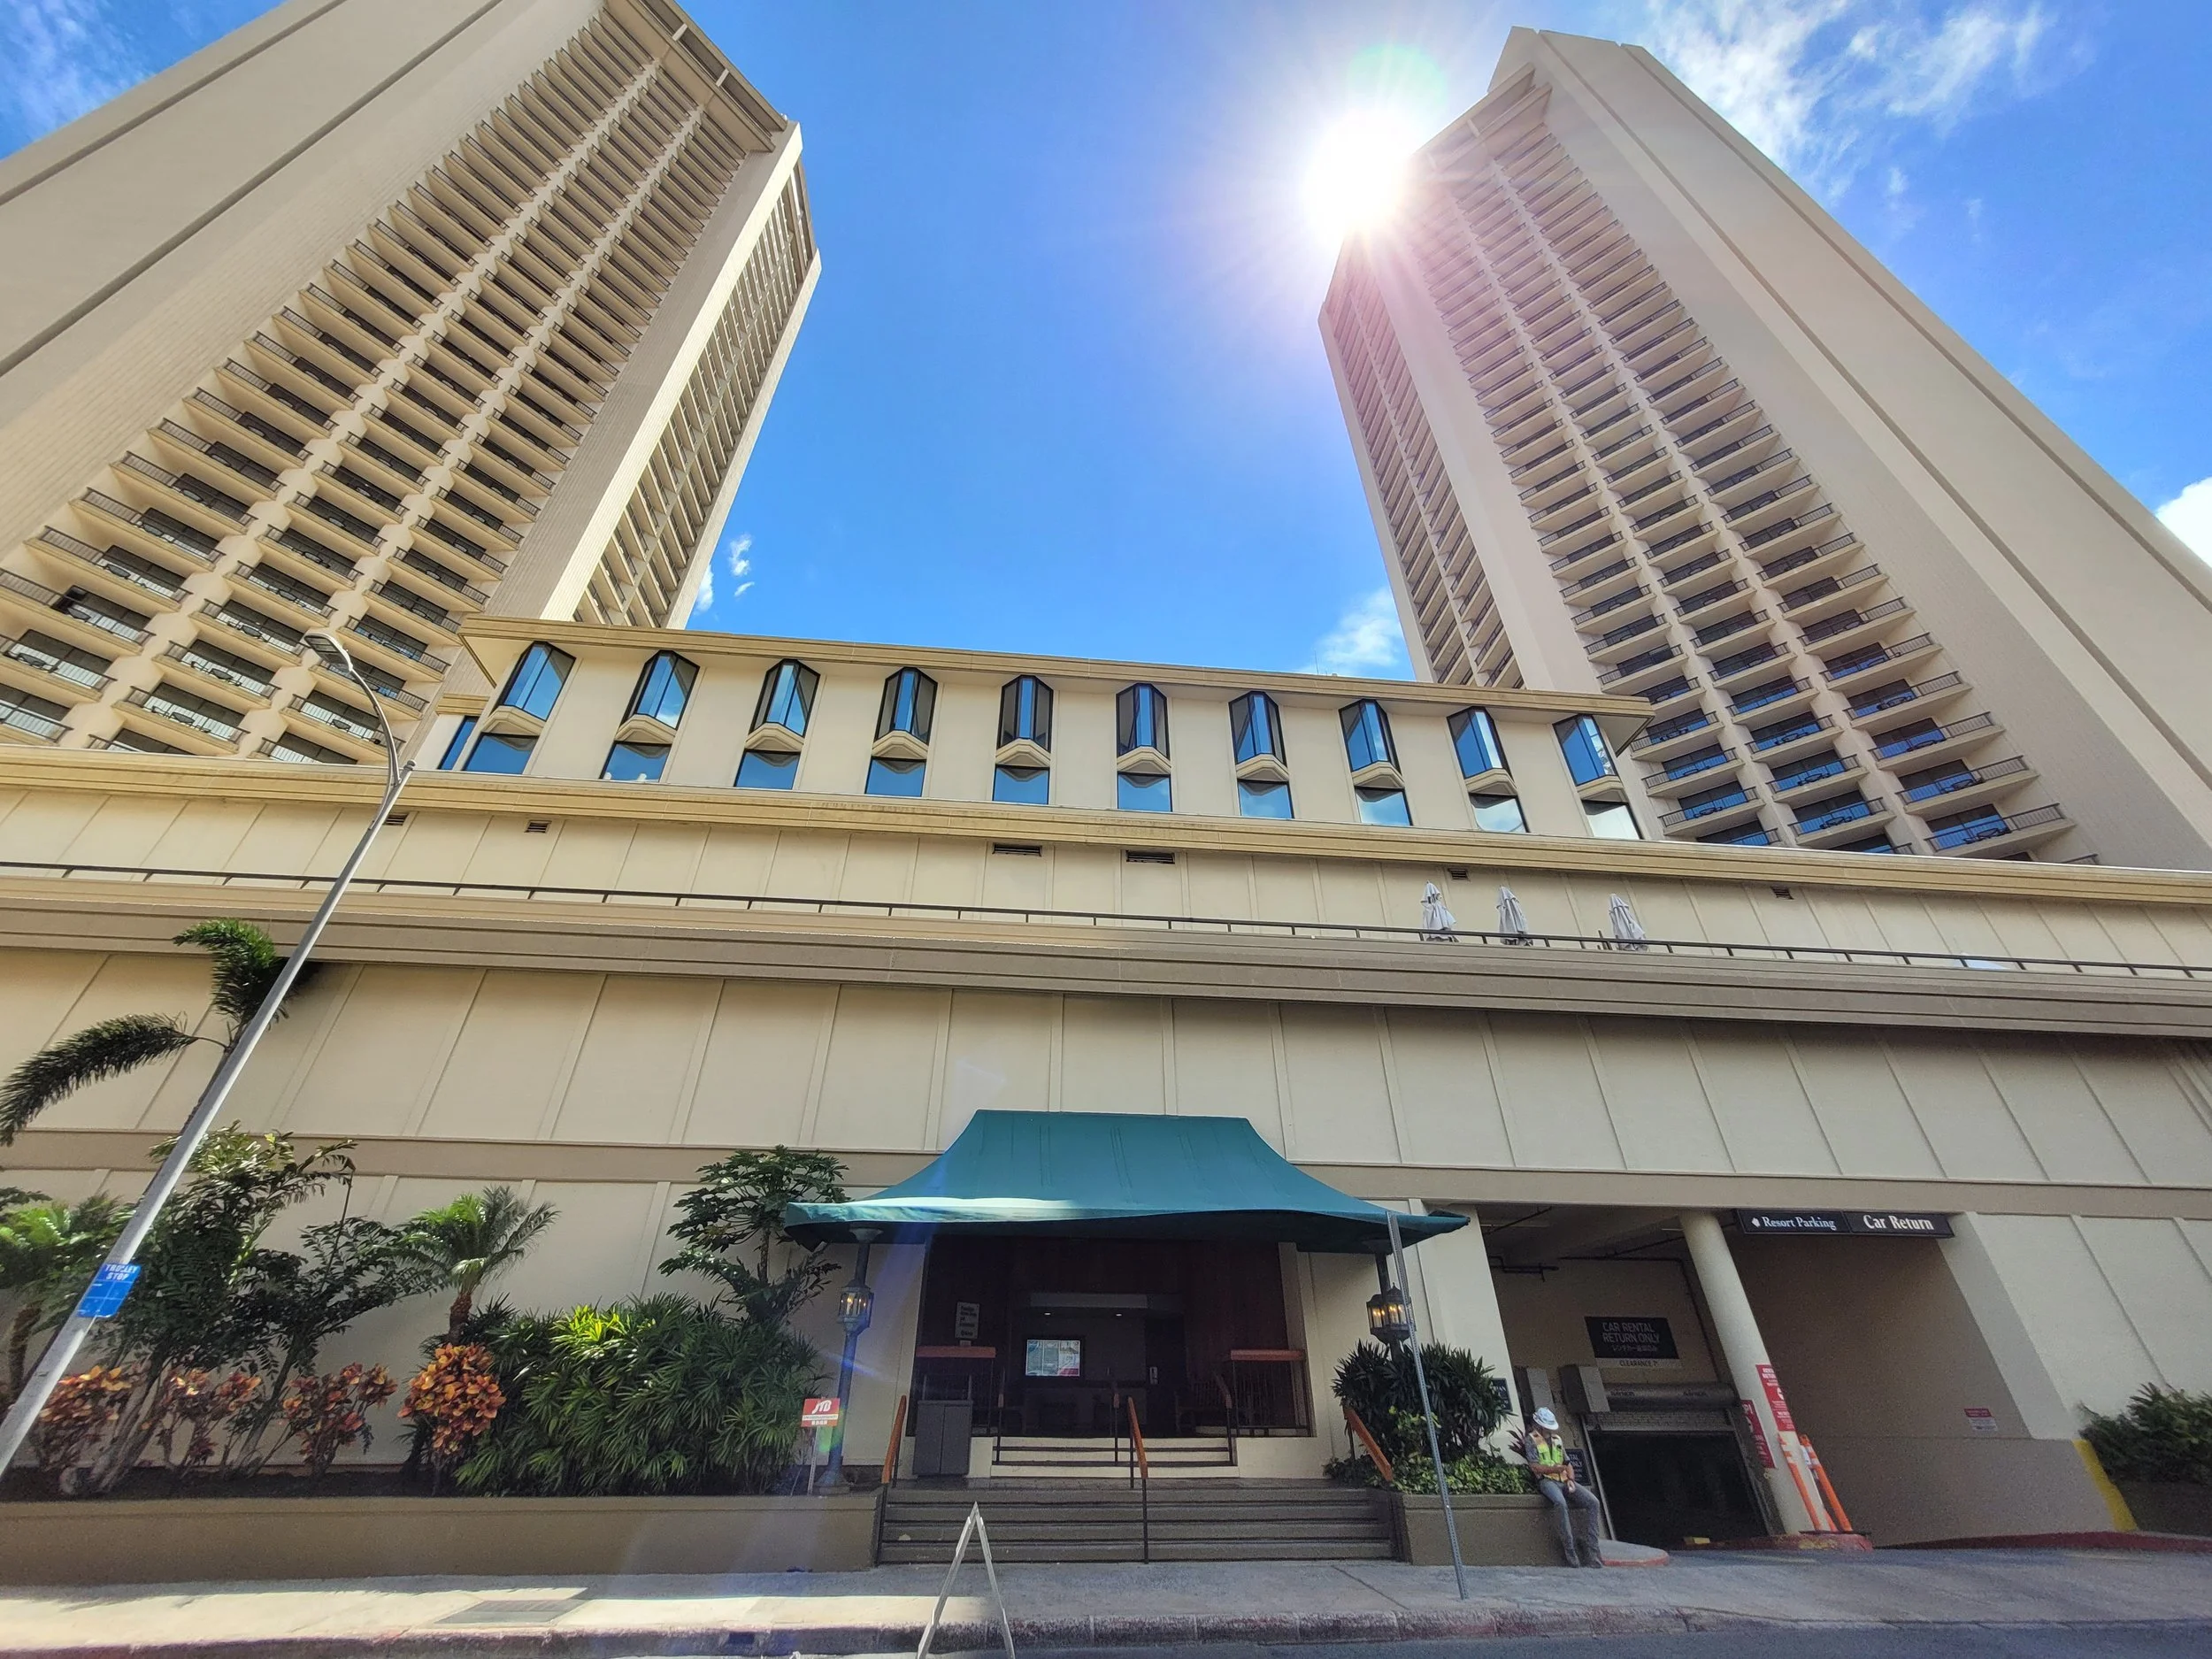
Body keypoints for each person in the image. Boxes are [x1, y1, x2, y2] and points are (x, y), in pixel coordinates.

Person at [1521, 1408, 1604, 1567]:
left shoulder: (1557, 1440)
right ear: (1539, 1426)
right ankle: (1569, 1549)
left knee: (1593, 1502)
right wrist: (1555, 1470)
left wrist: (1571, 1479)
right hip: (1547, 1481)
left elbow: (1567, 1463)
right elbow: (1535, 1467)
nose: (1549, 1430)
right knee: (1560, 1503)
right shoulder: (1531, 1440)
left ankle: (1592, 1551)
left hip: (1565, 1480)